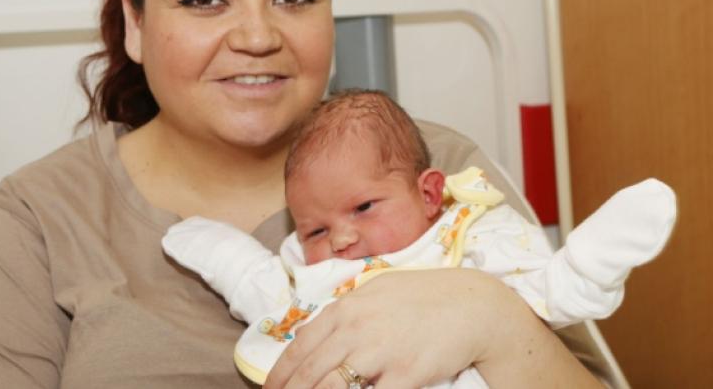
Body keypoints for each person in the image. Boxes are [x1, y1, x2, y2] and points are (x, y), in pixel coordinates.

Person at [0, 0, 613, 387]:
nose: (258, 36)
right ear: (134, 21)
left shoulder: (432, 171)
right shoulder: (38, 225)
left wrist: (490, 319)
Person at [162, 89, 677, 387]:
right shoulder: (310, 275)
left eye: (364, 208)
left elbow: (544, 291)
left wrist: (581, 273)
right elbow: (258, 284)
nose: (340, 238)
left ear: (429, 194)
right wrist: (216, 249)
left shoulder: (468, 239)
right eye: (314, 229)